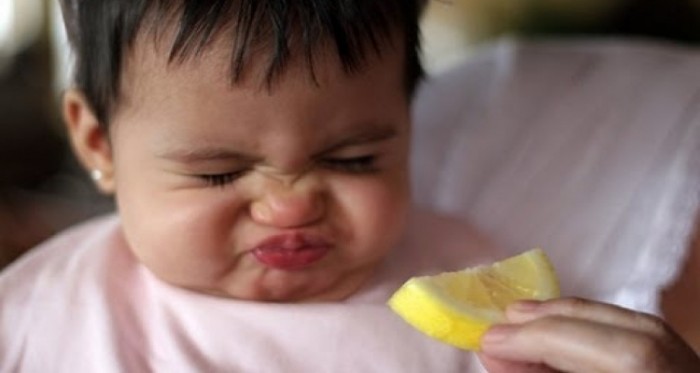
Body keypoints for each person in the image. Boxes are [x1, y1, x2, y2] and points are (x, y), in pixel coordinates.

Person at [0, 0, 697, 371]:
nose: (291, 203)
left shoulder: (468, 282)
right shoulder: (40, 317)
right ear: (99, 143)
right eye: (218, 172)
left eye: (355, 158)